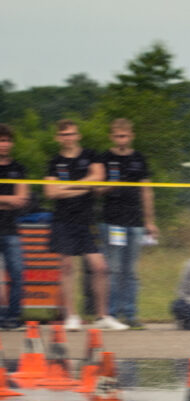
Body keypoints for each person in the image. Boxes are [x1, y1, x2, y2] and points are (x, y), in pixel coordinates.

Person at [43, 119, 127, 331]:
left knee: (100, 267)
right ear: (57, 138)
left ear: (78, 135)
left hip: (86, 220)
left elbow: (98, 177)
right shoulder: (55, 161)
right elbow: (51, 192)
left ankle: (102, 316)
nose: (68, 138)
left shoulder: (90, 155)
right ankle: (71, 316)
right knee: (67, 267)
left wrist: (67, 187)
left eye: (71, 134)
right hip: (63, 220)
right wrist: (83, 186)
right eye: (64, 135)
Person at [96, 118, 158, 329]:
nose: (121, 139)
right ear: (111, 136)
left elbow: (146, 191)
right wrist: (109, 186)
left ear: (131, 136)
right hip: (113, 222)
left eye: (124, 136)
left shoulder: (139, 158)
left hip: (135, 223)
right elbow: (96, 190)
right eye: (117, 136)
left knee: (130, 271)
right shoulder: (105, 158)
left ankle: (131, 314)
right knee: (114, 269)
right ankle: (112, 314)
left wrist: (150, 221)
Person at [0, 124, 28, 330]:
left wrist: (5, 200)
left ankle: (13, 318)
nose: (4, 144)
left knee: (18, 274)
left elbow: (22, 200)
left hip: (11, 230)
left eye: (7, 140)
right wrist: (10, 199)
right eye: (1, 140)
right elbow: (15, 199)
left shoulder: (19, 168)